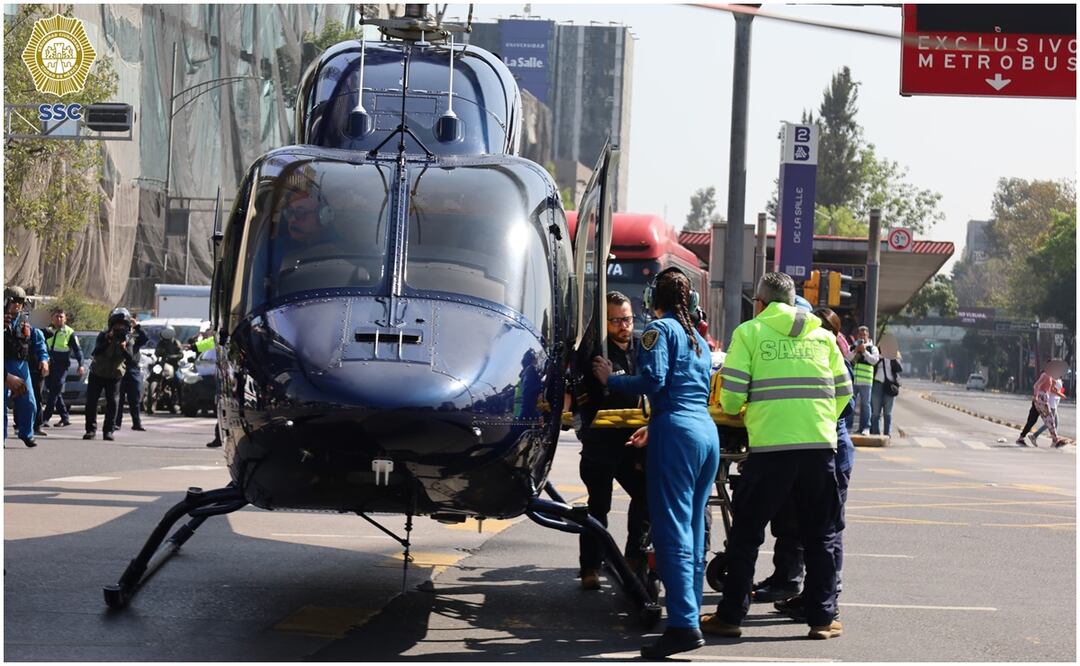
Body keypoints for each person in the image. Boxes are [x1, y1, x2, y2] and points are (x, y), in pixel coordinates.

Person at [700, 272, 849, 641]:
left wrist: (754, 413)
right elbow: (845, 393)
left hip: (770, 451)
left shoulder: (750, 333)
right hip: (819, 449)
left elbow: (731, 397)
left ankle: (731, 617)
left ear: (761, 304)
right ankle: (822, 619)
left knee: (747, 535)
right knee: (820, 535)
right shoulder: (823, 336)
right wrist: (815, 421)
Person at [593, 268, 719, 659]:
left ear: (652, 299)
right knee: (694, 528)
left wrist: (611, 378)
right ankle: (691, 614)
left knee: (671, 529)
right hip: (705, 433)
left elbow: (653, 380)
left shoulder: (657, 331)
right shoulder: (697, 338)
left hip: (676, 432)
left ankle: (682, 625)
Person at [773, 307, 856, 621]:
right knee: (813, 530)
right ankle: (813, 593)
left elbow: (841, 410)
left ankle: (828, 597)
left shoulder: (835, 364)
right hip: (820, 453)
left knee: (830, 530)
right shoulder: (818, 360)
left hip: (834, 454)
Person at [573, 291, 650, 592]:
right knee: (598, 507)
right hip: (601, 444)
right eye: (615, 320)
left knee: (646, 497)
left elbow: (645, 389)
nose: (623, 326)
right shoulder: (596, 353)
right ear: (604, 322)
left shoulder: (643, 349)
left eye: (627, 319)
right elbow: (600, 397)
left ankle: (633, 558)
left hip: (633, 442)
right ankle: (589, 567)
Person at [84, 310, 136, 441]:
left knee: (113, 403)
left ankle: (108, 430)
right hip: (97, 373)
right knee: (91, 402)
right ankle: (90, 430)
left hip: (114, 376)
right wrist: (108, 340)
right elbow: (96, 352)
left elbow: (131, 359)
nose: (119, 328)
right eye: (117, 325)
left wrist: (124, 348)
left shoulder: (128, 339)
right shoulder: (103, 335)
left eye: (122, 325)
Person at [4, 287, 41, 447]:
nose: (17, 305)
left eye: (20, 302)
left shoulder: (27, 322)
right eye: (13, 301)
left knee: (29, 402)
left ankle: (26, 433)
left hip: (21, 365)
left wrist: (44, 359)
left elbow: (39, 342)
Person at [41, 308, 84, 428]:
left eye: (61, 317)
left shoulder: (69, 332)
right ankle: (65, 417)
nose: (59, 319)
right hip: (49, 365)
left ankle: (45, 418)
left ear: (65, 319)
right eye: (56, 316)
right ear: (52, 318)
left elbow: (77, 349)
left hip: (62, 366)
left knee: (55, 391)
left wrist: (81, 364)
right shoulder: (47, 330)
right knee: (54, 390)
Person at [115, 317, 148, 432]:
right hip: (120, 369)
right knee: (118, 398)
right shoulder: (116, 334)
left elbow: (144, 339)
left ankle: (136, 423)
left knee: (135, 398)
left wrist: (137, 326)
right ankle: (116, 423)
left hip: (133, 369)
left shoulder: (134, 336)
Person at [845, 325, 879, 435]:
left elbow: (874, 361)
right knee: (851, 404)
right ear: (857, 336)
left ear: (868, 335)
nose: (862, 337)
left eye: (864, 334)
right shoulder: (853, 347)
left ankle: (866, 427)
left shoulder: (873, 348)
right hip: (854, 380)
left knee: (865, 405)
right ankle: (848, 426)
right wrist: (856, 350)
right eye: (860, 334)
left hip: (866, 381)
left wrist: (864, 351)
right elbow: (847, 358)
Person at [24, 320, 50, 438]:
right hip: (17, 367)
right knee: (19, 396)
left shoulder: (34, 330)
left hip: (34, 369)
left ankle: (37, 425)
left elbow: (41, 346)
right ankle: (20, 425)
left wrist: (44, 360)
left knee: (36, 398)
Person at [1017, 368, 1054, 447]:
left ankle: (1021, 438)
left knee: (1032, 420)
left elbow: (1049, 390)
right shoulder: (1046, 375)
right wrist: (1035, 396)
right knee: (1050, 419)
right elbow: (1036, 385)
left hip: (1040, 401)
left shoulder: (1050, 376)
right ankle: (1055, 440)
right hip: (1040, 401)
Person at [870, 351, 903, 437]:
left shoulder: (894, 356)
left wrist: (893, 357)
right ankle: (875, 433)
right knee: (876, 412)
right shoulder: (876, 353)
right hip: (877, 384)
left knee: (888, 412)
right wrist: (879, 358)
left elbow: (899, 369)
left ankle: (887, 433)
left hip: (890, 385)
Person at [1031, 378, 1065, 447]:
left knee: (1054, 422)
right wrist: (1061, 395)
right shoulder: (1052, 377)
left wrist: (1060, 393)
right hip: (1051, 402)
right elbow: (1051, 389)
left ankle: (1054, 441)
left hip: (1054, 403)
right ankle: (1035, 436)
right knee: (1050, 422)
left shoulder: (1059, 378)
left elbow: (1057, 389)